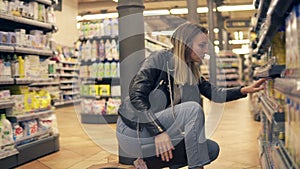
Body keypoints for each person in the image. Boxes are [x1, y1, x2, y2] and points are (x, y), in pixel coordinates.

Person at [116, 22, 265, 169]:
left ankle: (147, 164)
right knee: (193, 109)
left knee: (210, 149)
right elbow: (136, 95)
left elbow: (215, 94)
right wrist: (159, 132)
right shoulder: (159, 58)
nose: (206, 50)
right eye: (202, 45)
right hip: (134, 129)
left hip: (157, 128)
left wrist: (244, 90)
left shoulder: (189, 71)